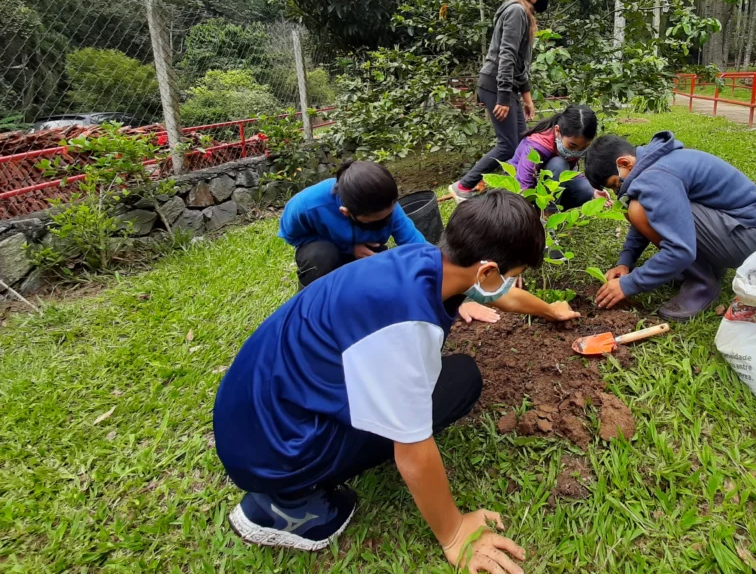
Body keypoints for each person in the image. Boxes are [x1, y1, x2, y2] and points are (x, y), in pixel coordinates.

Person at [213, 191, 577, 572]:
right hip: (275, 453)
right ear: (487, 271)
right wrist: (456, 533)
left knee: (457, 375)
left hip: (256, 410)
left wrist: (550, 310)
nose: (511, 286)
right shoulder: (404, 327)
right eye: (513, 277)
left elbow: (496, 296)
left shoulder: (424, 260)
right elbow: (412, 449)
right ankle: (287, 504)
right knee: (450, 389)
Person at [584, 131, 756, 322]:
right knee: (637, 207)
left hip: (748, 238)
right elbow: (654, 215)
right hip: (742, 229)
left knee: (636, 208)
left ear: (625, 163)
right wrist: (626, 261)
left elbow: (679, 249)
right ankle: (709, 267)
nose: (619, 192)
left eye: (616, 185)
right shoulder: (655, 162)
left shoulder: (656, 177)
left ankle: (702, 284)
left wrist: (630, 284)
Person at [449, 0, 552, 203]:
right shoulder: (516, 11)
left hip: (503, 86)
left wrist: (526, 97)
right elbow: (506, 56)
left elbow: (518, 62)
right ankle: (464, 186)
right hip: (496, 86)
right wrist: (505, 98)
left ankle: (515, 189)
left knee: (520, 143)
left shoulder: (523, 11)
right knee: (507, 146)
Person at [279, 160, 425, 288]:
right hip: (325, 256)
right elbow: (291, 236)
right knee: (321, 256)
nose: (387, 220)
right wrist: (348, 248)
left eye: (389, 216)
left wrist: (434, 263)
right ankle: (312, 298)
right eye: (377, 221)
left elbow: (414, 243)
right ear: (346, 212)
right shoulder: (307, 205)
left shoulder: (384, 201)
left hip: (367, 253)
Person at [509, 103, 607, 209]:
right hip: (520, 188)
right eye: (572, 145)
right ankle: (547, 214)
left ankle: (546, 210)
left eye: (583, 148)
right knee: (559, 164)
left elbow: (568, 173)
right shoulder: (537, 146)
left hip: (547, 188)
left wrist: (594, 191)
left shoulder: (573, 145)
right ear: (557, 131)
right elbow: (523, 184)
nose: (576, 152)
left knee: (586, 189)